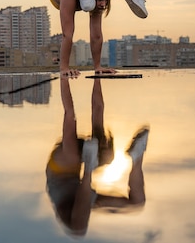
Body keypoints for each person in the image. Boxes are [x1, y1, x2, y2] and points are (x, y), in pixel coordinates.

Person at [46, 75, 149, 237]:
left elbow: (69, 114)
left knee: (78, 230)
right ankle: (137, 156)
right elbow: (98, 107)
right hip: (81, 192)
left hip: (60, 171)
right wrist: (97, 77)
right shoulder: (95, 145)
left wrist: (64, 80)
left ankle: (88, 167)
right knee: (137, 202)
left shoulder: (70, 152)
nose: (104, 144)